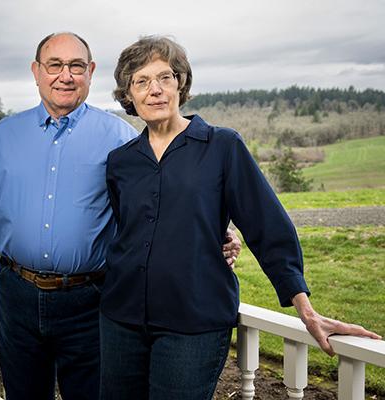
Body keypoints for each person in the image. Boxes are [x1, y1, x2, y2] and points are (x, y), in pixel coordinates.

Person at [0, 32, 241, 400]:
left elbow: (160, 204)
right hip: (17, 295)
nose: (66, 75)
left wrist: (217, 233)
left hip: (91, 299)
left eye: (76, 66)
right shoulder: (2, 138)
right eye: (55, 65)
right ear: (36, 72)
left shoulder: (121, 140)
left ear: (90, 72)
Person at [99, 35, 382, 400]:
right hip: (121, 319)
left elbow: (268, 226)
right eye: (142, 81)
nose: (155, 90)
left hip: (194, 321)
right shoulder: (121, 161)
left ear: (180, 83)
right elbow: (130, 231)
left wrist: (305, 309)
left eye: (165, 77)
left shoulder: (222, 146)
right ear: (129, 95)